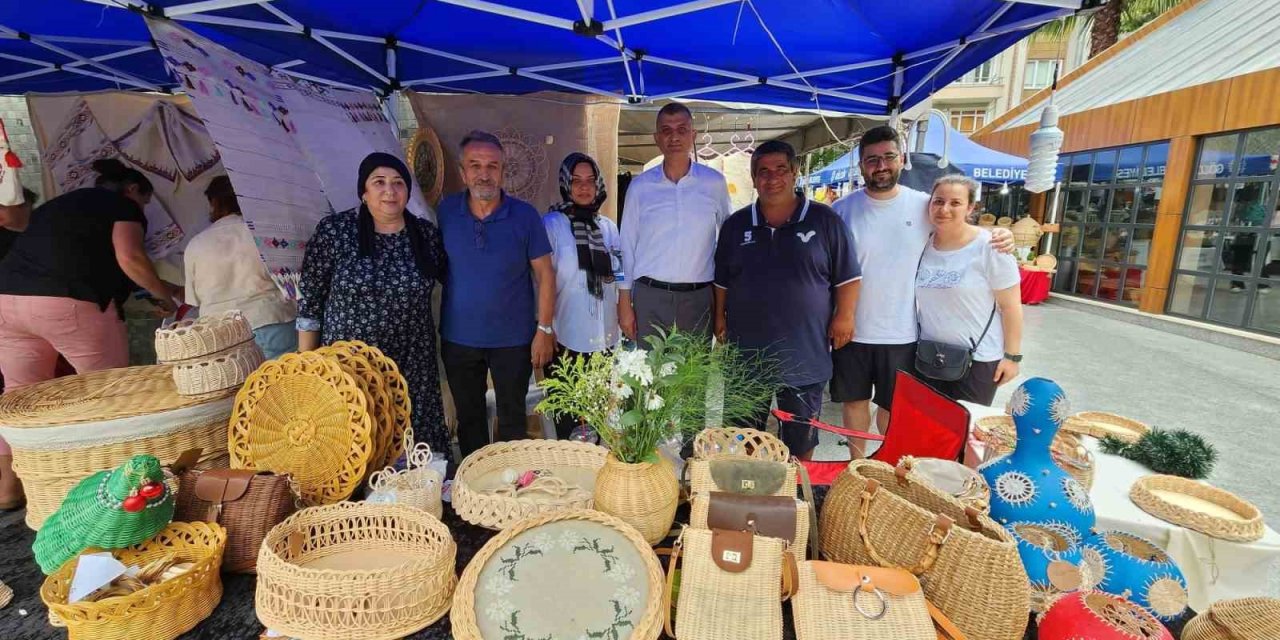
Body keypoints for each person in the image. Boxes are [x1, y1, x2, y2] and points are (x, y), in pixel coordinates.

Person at [0, 160, 177, 510]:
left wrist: (169, 288)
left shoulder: (60, 206)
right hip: (68, 304)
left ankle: (9, 488)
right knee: (108, 393)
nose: (144, 210)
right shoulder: (121, 207)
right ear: (131, 190)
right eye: (145, 201)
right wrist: (167, 300)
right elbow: (131, 260)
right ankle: (115, 490)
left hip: (8, 302)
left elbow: (119, 271)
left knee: (19, 399)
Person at [832, 126, 1013, 456]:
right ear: (861, 166)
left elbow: (958, 225)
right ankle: (856, 467)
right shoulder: (841, 211)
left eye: (888, 157)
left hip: (903, 334)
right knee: (854, 404)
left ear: (901, 159)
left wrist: (997, 235)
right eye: (872, 159)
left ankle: (885, 468)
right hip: (851, 331)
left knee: (893, 412)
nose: (881, 165)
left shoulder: (923, 206)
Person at [296, 152, 451, 459]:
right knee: (357, 445)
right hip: (350, 368)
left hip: (413, 368)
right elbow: (310, 305)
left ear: (407, 191)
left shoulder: (426, 236)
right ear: (363, 192)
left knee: (416, 452)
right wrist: (307, 369)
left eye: (397, 183)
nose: (389, 191)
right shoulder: (335, 233)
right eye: (378, 182)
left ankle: (421, 503)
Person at [713, 140, 860, 459]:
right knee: (743, 441)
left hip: (803, 356)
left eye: (781, 169)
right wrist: (720, 318)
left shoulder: (825, 220)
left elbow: (848, 277)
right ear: (753, 178)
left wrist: (844, 317)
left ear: (795, 173)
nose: (772, 177)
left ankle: (794, 501)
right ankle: (750, 499)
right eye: (763, 171)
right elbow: (722, 281)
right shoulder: (735, 226)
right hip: (746, 356)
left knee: (801, 444)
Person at [437, 131, 556, 460]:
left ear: (503, 171)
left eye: (492, 165)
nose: (483, 173)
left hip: (513, 340)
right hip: (459, 339)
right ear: (462, 172)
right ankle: (474, 495)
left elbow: (545, 274)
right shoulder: (445, 213)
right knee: (470, 420)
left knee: (513, 419)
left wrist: (544, 329)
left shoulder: (525, 216)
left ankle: (510, 493)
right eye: (475, 165)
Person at [618, 103, 732, 341]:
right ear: (656, 137)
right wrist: (624, 301)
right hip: (650, 296)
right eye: (666, 130)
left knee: (693, 376)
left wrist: (723, 303)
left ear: (693, 135)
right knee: (651, 375)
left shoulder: (714, 184)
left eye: (682, 129)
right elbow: (625, 245)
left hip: (698, 297)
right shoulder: (640, 187)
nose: (674, 137)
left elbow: (728, 242)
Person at [916, 175, 1023, 405]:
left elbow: (1011, 305)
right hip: (929, 356)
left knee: (965, 432)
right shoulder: (922, 243)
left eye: (955, 203)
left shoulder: (991, 247)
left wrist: (1012, 357)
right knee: (931, 428)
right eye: (938, 201)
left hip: (978, 360)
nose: (944, 209)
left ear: (970, 207)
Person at [542, 152, 622, 439]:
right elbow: (541, 280)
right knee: (568, 418)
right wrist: (544, 327)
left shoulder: (609, 227)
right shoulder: (551, 224)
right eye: (576, 181)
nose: (584, 187)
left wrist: (625, 307)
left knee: (600, 416)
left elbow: (620, 273)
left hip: (605, 337)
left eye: (590, 180)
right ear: (566, 184)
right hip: (566, 335)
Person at [183, 176, 297, 359]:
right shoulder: (267, 235)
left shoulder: (196, 245)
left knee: (236, 387)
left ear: (215, 203)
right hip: (271, 323)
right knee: (283, 383)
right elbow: (293, 285)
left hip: (220, 334)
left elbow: (193, 299)